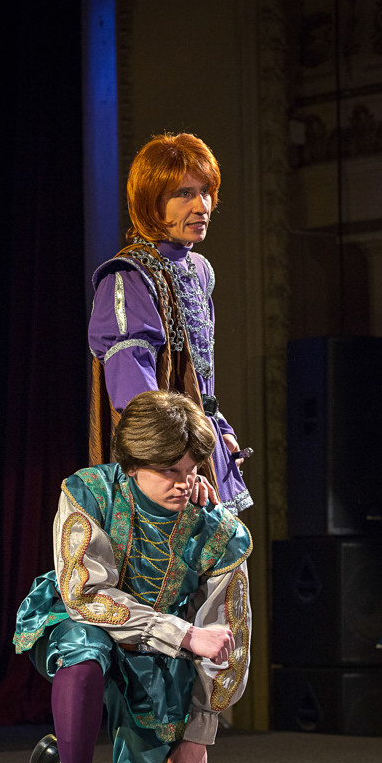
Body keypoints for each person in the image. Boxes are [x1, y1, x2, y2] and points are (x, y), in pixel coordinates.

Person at [13, 390, 252, 763]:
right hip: (81, 621)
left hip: (155, 657)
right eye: (170, 471)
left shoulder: (218, 531)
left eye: (191, 470)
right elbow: (87, 595)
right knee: (85, 648)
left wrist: (198, 734)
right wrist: (184, 634)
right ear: (132, 464)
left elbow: (231, 638)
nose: (184, 484)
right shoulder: (90, 492)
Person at [88, 131, 253, 517]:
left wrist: (219, 430)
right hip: (163, 464)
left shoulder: (198, 270)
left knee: (224, 553)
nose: (202, 206)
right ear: (152, 202)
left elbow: (198, 379)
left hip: (198, 449)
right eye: (184, 194)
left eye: (205, 191)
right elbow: (136, 398)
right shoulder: (129, 276)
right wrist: (179, 464)